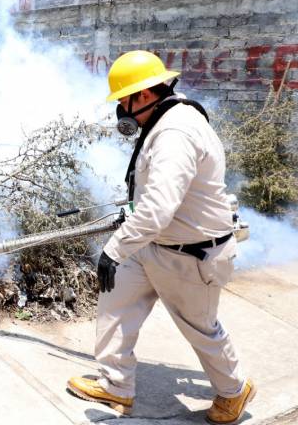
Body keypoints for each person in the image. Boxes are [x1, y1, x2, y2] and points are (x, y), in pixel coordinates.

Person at [66, 51, 255, 424]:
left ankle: (234, 392)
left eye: (125, 101)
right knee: (116, 301)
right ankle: (116, 386)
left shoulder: (174, 134)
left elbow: (158, 208)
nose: (122, 110)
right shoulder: (166, 116)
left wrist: (114, 249)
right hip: (154, 244)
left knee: (200, 328)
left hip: (191, 256)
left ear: (145, 94)